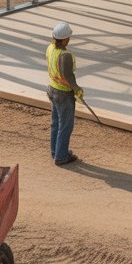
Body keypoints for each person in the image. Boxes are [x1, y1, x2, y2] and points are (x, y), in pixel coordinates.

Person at [46, 20, 83, 166]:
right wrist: (77, 89)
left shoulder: (50, 48)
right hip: (63, 94)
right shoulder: (65, 55)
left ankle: (55, 151)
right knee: (65, 125)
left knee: (55, 123)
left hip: (52, 89)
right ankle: (61, 156)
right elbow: (67, 76)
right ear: (66, 39)